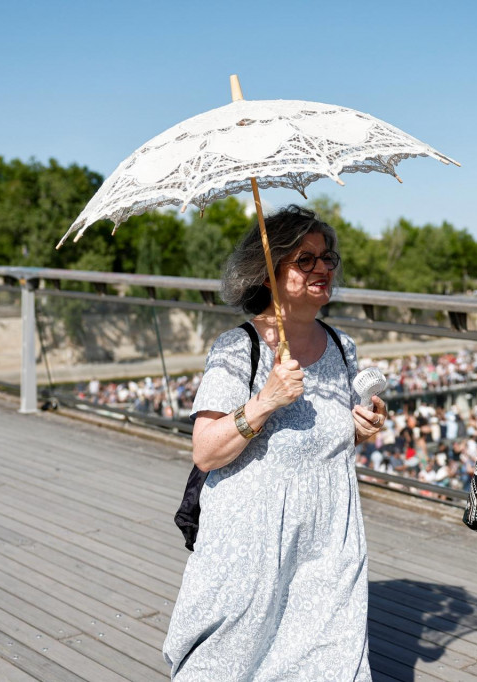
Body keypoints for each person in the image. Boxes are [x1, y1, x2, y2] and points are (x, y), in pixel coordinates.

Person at [163, 205, 385, 681]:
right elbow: (205, 451)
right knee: (232, 661)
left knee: (329, 658)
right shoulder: (237, 347)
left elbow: (329, 437)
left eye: (328, 258)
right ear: (270, 271)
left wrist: (360, 426)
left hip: (330, 533)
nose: (323, 268)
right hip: (251, 540)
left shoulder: (342, 346)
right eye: (305, 260)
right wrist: (263, 402)